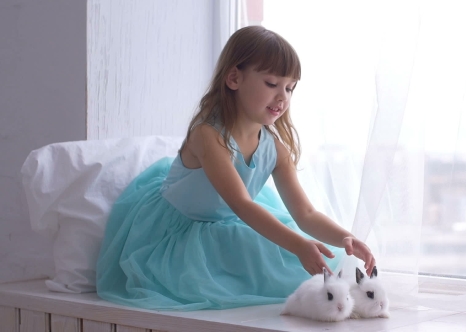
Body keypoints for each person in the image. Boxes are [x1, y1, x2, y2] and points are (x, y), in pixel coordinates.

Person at [96, 25, 375, 311]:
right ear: (234, 78)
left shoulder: (275, 149)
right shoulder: (208, 134)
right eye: (271, 84)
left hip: (230, 223)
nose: (283, 97)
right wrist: (298, 245)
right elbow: (241, 203)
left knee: (298, 268)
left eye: (289, 88)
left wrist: (345, 238)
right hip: (182, 229)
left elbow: (305, 213)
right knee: (211, 286)